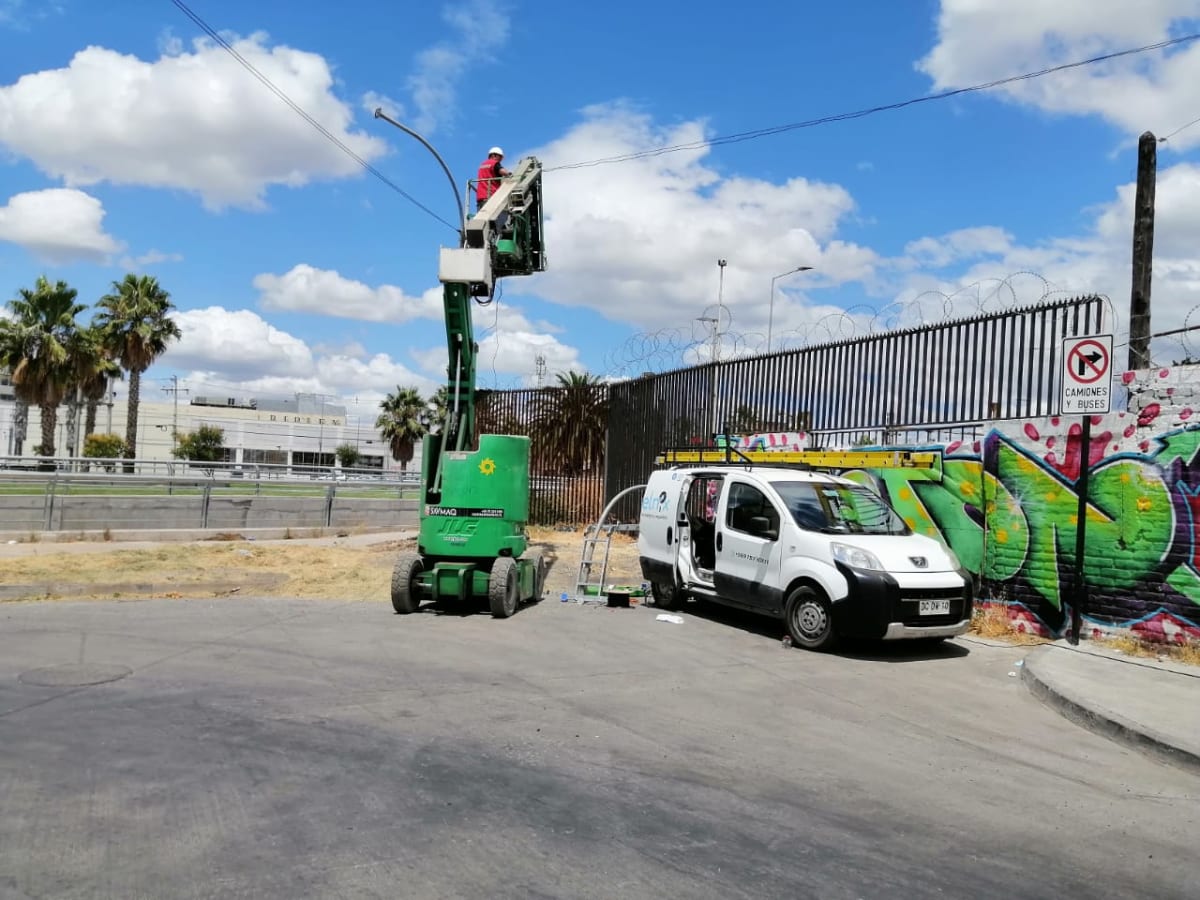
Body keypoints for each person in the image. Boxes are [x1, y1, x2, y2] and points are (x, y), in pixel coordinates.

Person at [475, 146, 510, 211]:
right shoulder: (494, 163)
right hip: (491, 196)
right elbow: (503, 172)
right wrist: (510, 175)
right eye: (500, 157)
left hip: (481, 197)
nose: (500, 160)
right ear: (494, 155)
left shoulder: (482, 164)